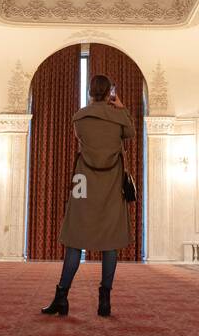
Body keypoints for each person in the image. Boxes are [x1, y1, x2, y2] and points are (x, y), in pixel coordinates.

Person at [41, 73, 135, 318]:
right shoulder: (118, 117)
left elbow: (82, 141)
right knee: (110, 242)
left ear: (90, 92)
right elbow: (130, 133)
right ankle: (105, 302)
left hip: (83, 184)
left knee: (75, 238)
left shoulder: (79, 117)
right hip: (112, 184)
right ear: (108, 93)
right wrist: (121, 109)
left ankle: (62, 297)